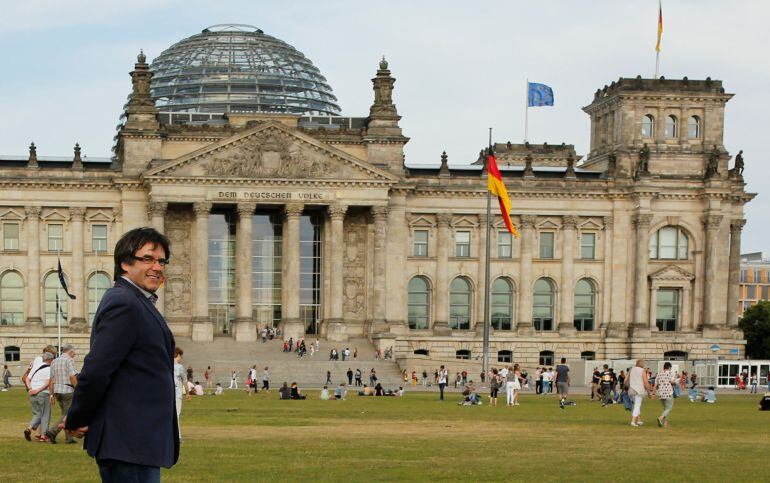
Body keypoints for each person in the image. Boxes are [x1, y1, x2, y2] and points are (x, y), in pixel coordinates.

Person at [64, 227, 179, 479]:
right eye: (147, 258)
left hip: (138, 441)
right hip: (128, 441)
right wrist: (77, 418)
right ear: (125, 263)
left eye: (161, 261)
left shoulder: (138, 301)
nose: (157, 267)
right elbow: (97, 370)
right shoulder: (125, 303)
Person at [44, 344, 79, 444]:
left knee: (65, 413)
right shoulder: (69, 360)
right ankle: (52, 431)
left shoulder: (54, 361)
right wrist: (77, 389)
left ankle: (69, 438)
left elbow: (51, 379)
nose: (75, 354)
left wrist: (51, 394)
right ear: (70, 352)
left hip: (57, 391)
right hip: (67, 390)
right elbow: (72, 376)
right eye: (74, 352)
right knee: (67, 415)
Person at [25, 350, 53, 442]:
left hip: (32, 393)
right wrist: (37, 390)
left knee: (37, 414)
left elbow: (27, 379)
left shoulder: (36, 367)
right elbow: (47, 383)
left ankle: (29, 428)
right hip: (43, 393)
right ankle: (43, 436)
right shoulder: (50, 369)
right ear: (50, 360)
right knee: (45, 415)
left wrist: (30, 389)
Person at [628, 359, 652, 427]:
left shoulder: (631, 369)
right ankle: (633, 421)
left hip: (631, 390)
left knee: (636, 405)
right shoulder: (642, 371)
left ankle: (638, 420)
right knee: (637, 406)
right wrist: (649, 392)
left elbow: (626, 380)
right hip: (639, 391)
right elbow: (645, 382)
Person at [654, 362, 677, 428]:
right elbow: (673, 382)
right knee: (668, 408)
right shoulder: (670, 373)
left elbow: (655, 384)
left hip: (661, 394)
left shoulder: (659, 373)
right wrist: (675, 379)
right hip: (668, 393)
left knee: (666, 409)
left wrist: (653, 393)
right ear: (669, 367)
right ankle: (660, 418)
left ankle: (665, 424)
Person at [171, 348, 186, 440]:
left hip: (168, 393)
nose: (181, 358)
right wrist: (188, 392)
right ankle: (178, 436)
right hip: (177, 393)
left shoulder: (166, 364)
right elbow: (185, 380)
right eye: (180, 356)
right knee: (177, 414)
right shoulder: (179, 367)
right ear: (178, 355)